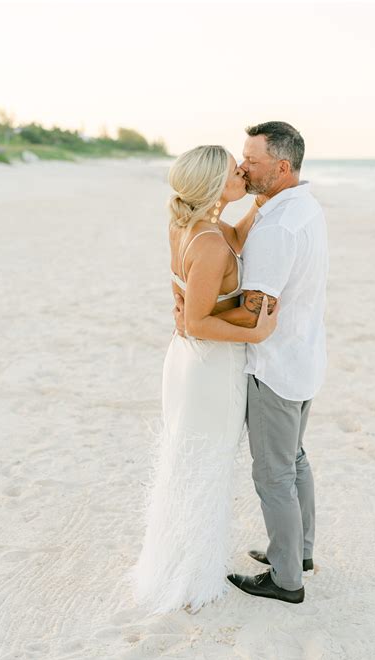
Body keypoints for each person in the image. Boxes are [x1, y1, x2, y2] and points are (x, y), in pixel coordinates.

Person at [174, 122, 329, 604]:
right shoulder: (297, 206)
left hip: (273, 364)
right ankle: (297, 551)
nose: (243, 166)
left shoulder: (278, 226)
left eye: (252, 161)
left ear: (282, 167)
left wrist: (195, 314)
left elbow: (254, 310)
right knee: (294, 461)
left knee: (274, 474)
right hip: (303, 357)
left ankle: (287, 579)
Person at [130, 145, 279, 615]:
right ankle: (190, 576)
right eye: (237, 172)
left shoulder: (194, 227)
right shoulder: (210, 243)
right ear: (216, 187)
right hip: (208, 365)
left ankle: (179, 561)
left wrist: (260, 200)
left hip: (188, 362)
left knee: (190, 460)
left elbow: (234, 234)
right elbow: (194, 320)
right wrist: (257, 329)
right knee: (205, 463)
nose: (243, 173)